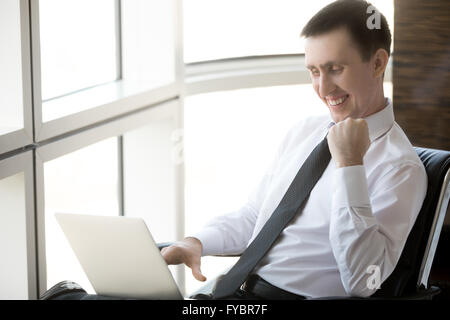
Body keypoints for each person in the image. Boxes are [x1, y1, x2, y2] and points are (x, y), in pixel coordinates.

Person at [41, 0, 427, 300]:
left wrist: (350, 166)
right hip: (235, 293)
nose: (323, 89)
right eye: (313, 71)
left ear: (378, 63)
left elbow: (363, 281)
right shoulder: (305, 132)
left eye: (335, 68)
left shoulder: (400, 168)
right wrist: (198, 242)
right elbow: (255, 218)